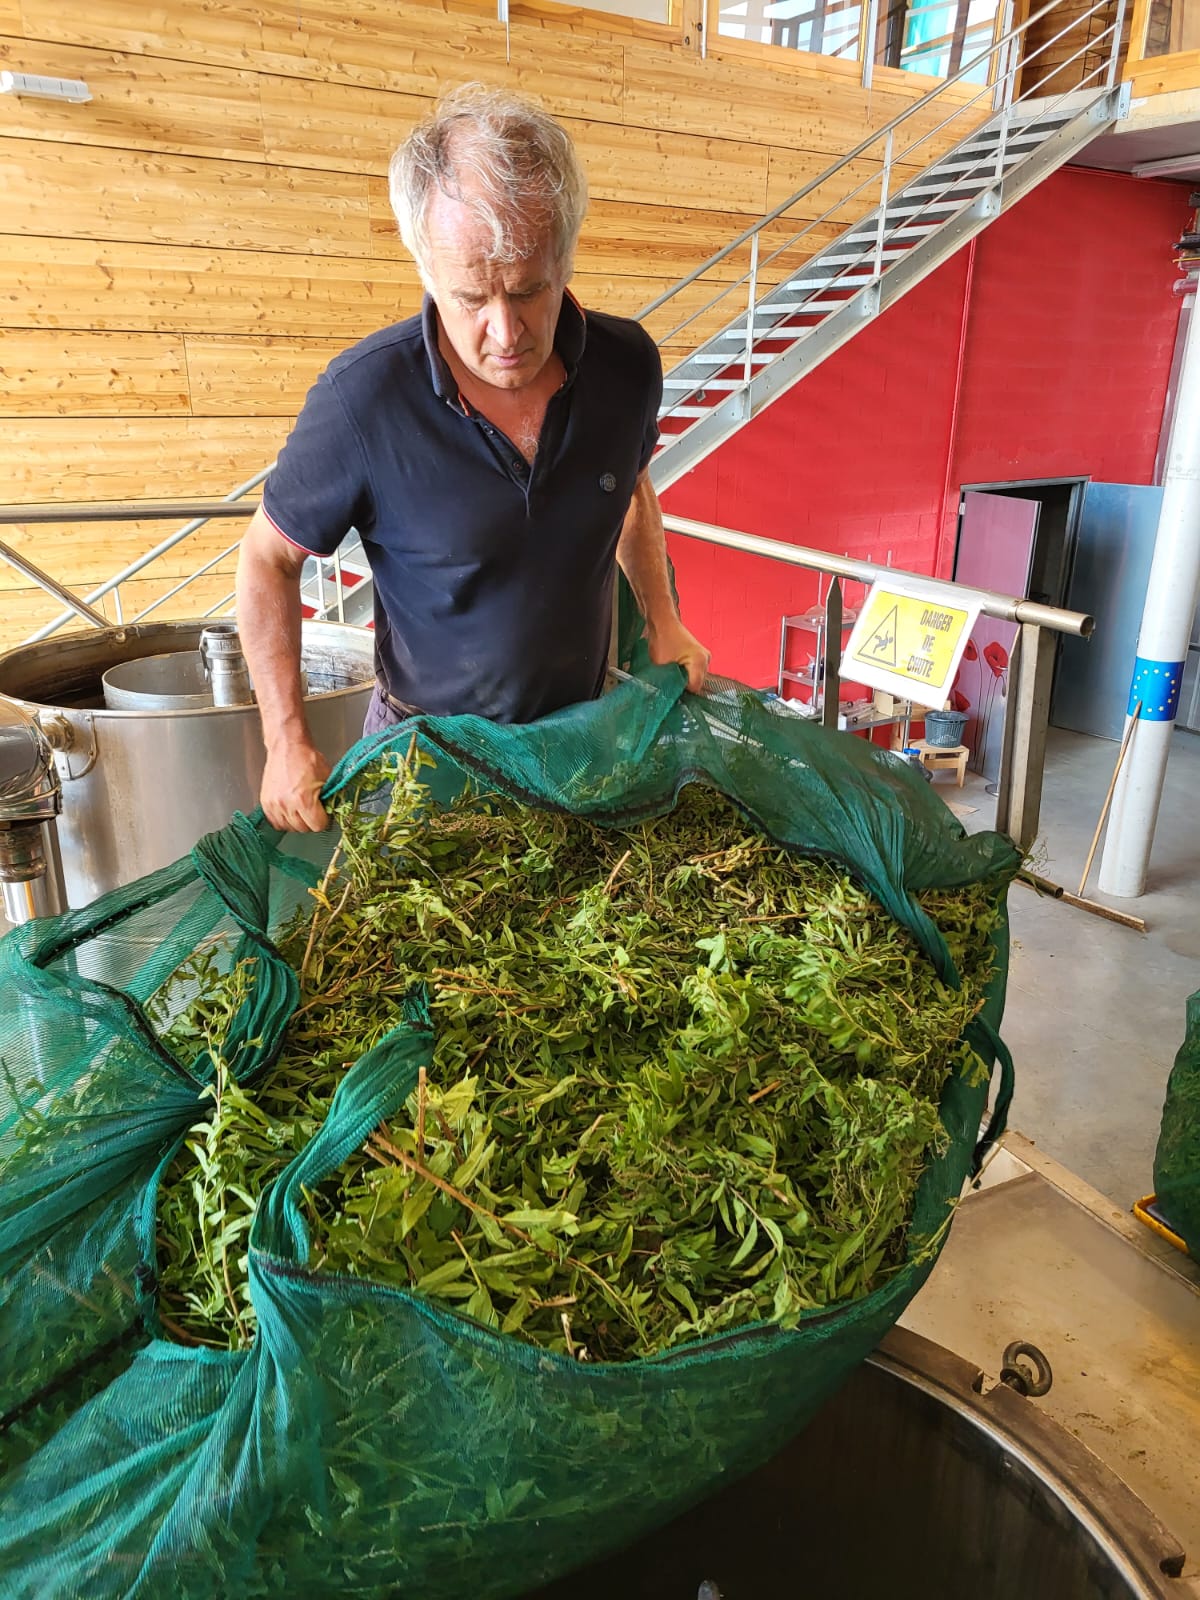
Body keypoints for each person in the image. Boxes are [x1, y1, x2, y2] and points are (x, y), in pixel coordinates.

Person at [235, 84, 709, 833]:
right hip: (425, 767)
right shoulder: (363, 401)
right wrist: (285, 738)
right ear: (426, 272)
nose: (505, 331)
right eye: (470, 298)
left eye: (529, 291)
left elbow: (632, 489)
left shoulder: (628, 367)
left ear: (565, 255)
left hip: (579, 748)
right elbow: (267, 559)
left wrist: (663, 618)